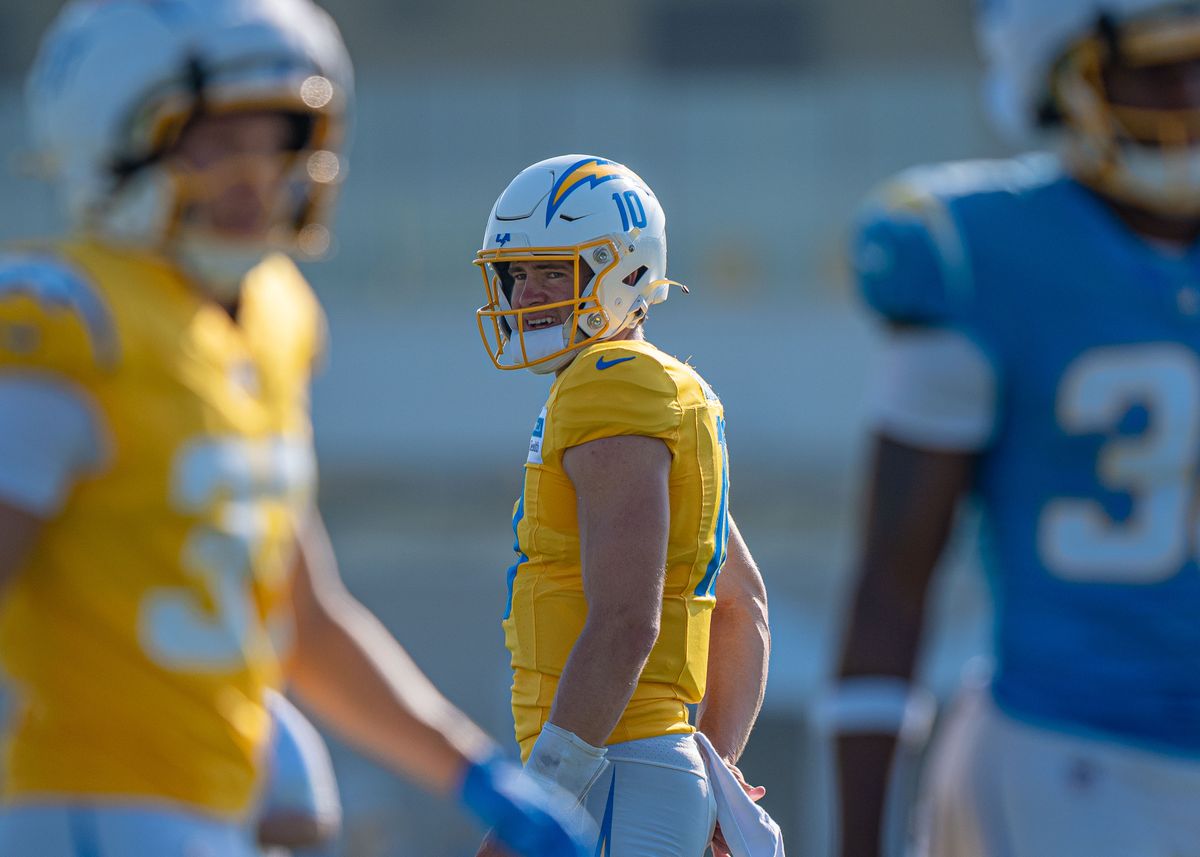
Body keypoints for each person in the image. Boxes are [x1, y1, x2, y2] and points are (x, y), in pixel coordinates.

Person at [0, 3, 589, 855]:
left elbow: (302, 617)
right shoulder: (66, 315)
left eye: (273, 138)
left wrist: (475, 772)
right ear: (109, 134)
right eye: (211, 141)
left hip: (213, 807)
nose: (251, 175)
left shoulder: (277, 317)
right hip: (76, 802)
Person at [831, 2, 1200, 855]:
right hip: (1068, 754)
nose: (1185, 94)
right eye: (1152, 68)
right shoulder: (977, 254)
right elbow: (893, 579)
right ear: (1063, 81)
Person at [471, 155, 781, 857]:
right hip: (636, 773)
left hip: (610, 773)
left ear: (625, 269)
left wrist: (537, 799)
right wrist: (717, 769)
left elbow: (623, 623)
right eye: (517, 274)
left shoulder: (607, 385)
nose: (527, 295)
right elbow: (744, 605)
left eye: (554, 270)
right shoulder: (656, 384)